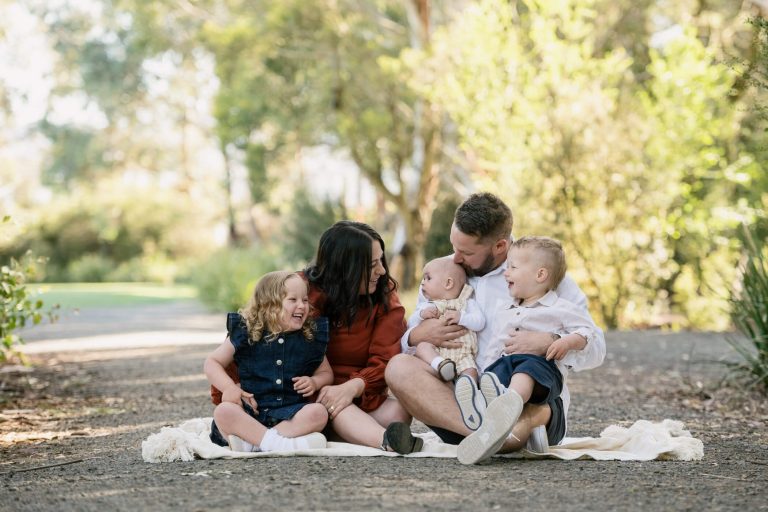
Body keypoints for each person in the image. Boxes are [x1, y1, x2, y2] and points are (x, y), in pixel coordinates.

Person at [385, 192, 605, 463]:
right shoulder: (443, 272)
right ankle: (499, 436)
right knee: (397, 368)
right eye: (454, 247)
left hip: (525, 397)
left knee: (527, 398)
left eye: (466, 252)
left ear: (500, 246)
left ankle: (517, 425)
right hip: (459, 403)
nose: (456, 258)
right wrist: (418, 335)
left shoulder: (540, 271)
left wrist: (551, 340)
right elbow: (409, 342)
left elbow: (596, 346)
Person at [455, 236, 600, 464]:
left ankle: (509, 402)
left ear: (540, 275)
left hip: (542, 370)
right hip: (508, 364)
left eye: (512, 267)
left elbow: (587, 332)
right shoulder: (506, 310)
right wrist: (484, 373)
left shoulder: (561, 308)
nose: (506, 273)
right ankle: (487, 403)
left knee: (526, 368)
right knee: (496, 371)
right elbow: (496, 345)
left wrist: (564, 341)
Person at [302, 220, 422, 454]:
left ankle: (333, 432)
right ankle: (386, 441)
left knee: (399, 413)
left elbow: (387, 357)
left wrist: (353, 387)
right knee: (336, 407)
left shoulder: (384, 295)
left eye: (381, 261)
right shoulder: (303, 292)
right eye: (372, 265)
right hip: (313, 393)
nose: (382, 271)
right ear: (345, 268)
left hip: (360, 393)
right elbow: (259, 333)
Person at [204, 271, 332, 452]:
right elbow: (212, 362)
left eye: (305, 300)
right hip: (249, 413)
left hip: (289, 415)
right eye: (293, 300)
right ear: (269, 305)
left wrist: (314, 381)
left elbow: (326, 373)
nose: (302, 306)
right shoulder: (247, 332)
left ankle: (255, 443)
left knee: (318, 412)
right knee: (223, 411)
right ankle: (280, 444)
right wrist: (229, 388)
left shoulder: (309, 336)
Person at [411, 256, 484, 418]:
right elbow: (411, 325)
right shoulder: (428, 305)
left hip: (463, 353)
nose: (422, 283)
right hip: (437, 353)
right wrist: (421, 315)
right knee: (422, 347)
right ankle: (441, 365)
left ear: (448, 283)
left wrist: (462, 317)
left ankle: (469, 396)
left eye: (428, 278)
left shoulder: (467, 303)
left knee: (471, 371)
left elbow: (480, 322)